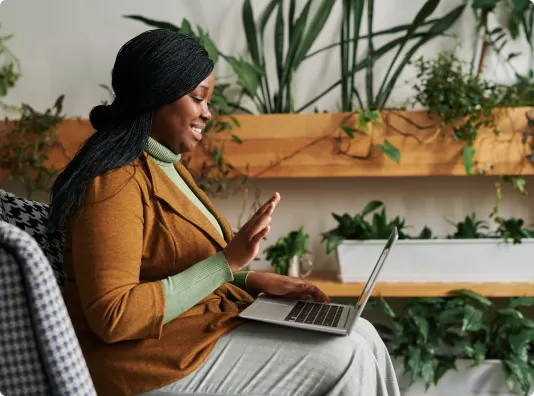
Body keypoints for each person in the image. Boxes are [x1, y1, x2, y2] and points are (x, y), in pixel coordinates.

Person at [48, 29, 401, 396]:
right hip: (143, 364)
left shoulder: (166, 164)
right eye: (198, 99)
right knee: (347, 356)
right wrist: (226, 264)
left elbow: (169, 265)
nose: (208, 112)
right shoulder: (114, 182)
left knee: (363, 334)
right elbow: (114, 316)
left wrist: (251, 280)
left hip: (193, 332)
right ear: (158, 95)